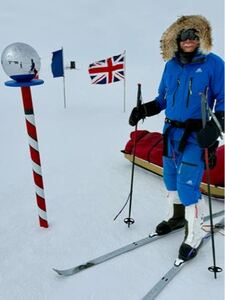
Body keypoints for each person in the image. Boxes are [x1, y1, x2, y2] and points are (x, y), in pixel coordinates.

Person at [129, 15, 224, 261]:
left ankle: (195, 234)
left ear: (201, 38)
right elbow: (163, 98)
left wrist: (215, 129)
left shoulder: (214, 64)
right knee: (171, 180)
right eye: (184, 36)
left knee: (187, 185)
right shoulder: (171, 66)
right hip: (171, 133)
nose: (189, 40)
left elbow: (223, 100)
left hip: (196, 135)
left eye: (194, 35)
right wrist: (144, 109)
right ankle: (178, 217)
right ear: (178, 40)